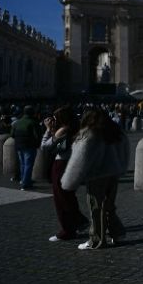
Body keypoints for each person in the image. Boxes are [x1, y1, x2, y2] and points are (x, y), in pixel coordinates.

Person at [61, 109, 130, 250]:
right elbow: (125, 151)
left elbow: (79, 160)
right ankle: (117, 233)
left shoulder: (89, 134)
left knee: (96, 208)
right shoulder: (116, 132)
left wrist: (69, 181)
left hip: (96, 176)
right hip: (113, 174)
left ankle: (96, 240)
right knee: (109, 206)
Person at [41, 106, 89, 241]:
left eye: (56, 118)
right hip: (71, 163)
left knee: (60, 198)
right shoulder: (76, 127)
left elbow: (44, 146)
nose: (53, 120)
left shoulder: (63, 129)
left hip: (61, 164)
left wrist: (48, 130)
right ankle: (77, 222)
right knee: (68, 196)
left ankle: (69, 229)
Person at [10, 105, 43, 190]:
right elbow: (37, 135)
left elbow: (12, 135)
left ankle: (24, 179)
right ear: (32, 112)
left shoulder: (17, 122)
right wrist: (38, 144)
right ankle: (25, 184)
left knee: (23, 164)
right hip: (29, 146)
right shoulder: (33, 122)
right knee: (28, 164)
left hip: (19, 146)